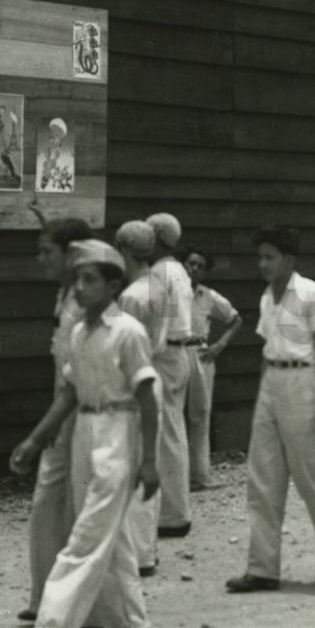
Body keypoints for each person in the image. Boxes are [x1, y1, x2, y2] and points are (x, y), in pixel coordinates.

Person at [8, 241, 161, 628]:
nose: (80, 287)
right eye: (77, 279)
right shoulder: (77, 333)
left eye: (90, 279)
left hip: (120, 431)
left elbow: (149, 399)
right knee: (107, 540)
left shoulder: (129, 332)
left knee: (87, 536)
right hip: (85, 433)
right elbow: (71, 393)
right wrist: (36, 440)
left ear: (114, 285)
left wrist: (149, 460)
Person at [227, 226, 315, 592]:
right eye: (260, 257)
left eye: (270, 257)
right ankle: (262, 568)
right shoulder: (268, 298)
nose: (263, 264)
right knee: (263, 476)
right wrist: (264, 393)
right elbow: (266, 348)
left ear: (289, 260)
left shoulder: (312, 293)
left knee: (308, 472)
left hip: (304, 382)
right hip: (272, 381)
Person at [17, 213, 93, 623]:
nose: (39, 259)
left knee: (84, 508)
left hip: (87, 414)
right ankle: (46, 596)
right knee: (48, 499)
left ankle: (89, 611)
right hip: (62, 410)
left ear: (72, 255)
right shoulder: (65, 296)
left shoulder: (87, 299)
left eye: (47, 252)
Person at [113, 220, 171, 577]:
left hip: (137, 377)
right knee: (150, 460)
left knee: (134, 464)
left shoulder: (132, 295)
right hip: (155, 371)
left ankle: (136, 551)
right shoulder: (158, 284)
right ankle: (146, 547)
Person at [146, 213, 196, 539]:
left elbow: (157, 323)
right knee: (173, 431)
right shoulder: (177, 269)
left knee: (165, 434)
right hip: (179, 351)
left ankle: (172, 514)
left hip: (164, 354)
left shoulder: (160, 272)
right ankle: (174, 509)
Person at [182, 248, 243, 489]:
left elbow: (235, 319)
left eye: (200, 265)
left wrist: (219, 345)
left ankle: (197, 476)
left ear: (205, 271)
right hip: (173, 352)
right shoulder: (170, 294)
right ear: (182, 265)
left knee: (200, 412)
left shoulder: (207, 296)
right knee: (171, 412)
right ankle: (170, 476)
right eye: (190, 263)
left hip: (200, 353)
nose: (194, 269)